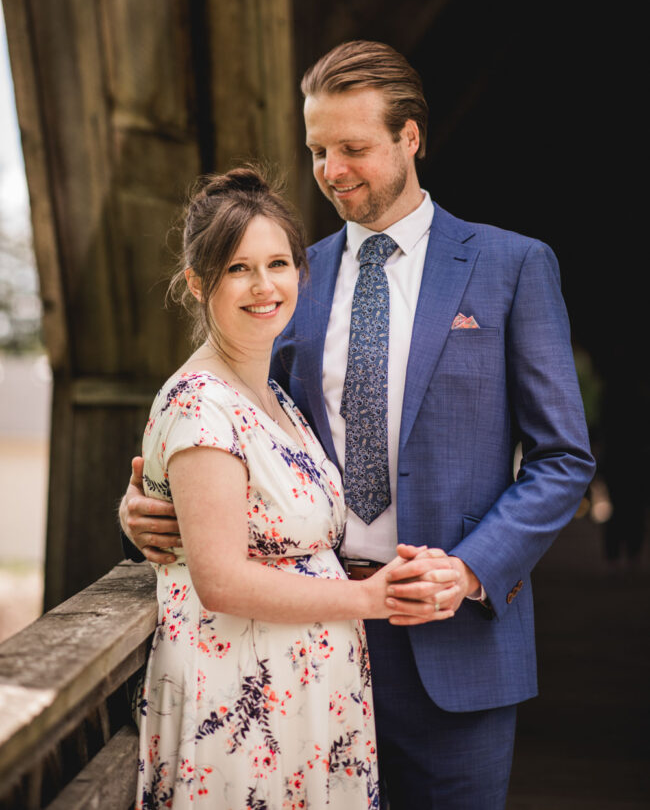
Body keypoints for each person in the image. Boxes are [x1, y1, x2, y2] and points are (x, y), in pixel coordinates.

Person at [122, 42, 595, 809]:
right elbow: (240, 427)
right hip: (304, 648)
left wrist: (469, 570)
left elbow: (563, 459)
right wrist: (148, 503)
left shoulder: (512, 266)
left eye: (353, 148)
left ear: (411, 138)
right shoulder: (287, 280)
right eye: (317, 150)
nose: (332, 170)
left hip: (457, 639)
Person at [130, 167, 447, 810]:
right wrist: (369, 598)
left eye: (278, 263)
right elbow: (221, 580)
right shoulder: (201, 404)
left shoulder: (273, 397)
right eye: (237, 268)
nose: (264, 285)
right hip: (243, 707)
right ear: (197, 283)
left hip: (304, 699)